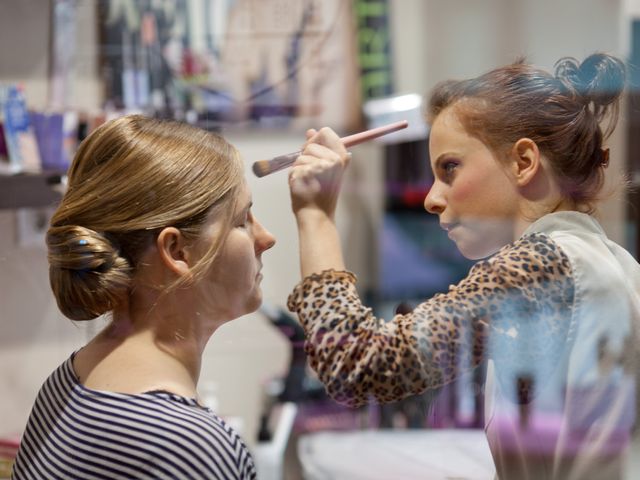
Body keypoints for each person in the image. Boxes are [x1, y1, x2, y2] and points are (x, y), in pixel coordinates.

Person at [286, 52, 640, 480]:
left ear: (523, 162)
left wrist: (315, 217)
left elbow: (356, 366)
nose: (432, 198)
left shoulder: (541, 265)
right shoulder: (616, 265)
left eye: (450, 168)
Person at [11, 114, 276, 480]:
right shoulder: (192, 449)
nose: (266, 238)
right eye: (243, 220)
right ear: (178, 250)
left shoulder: (71, 379)